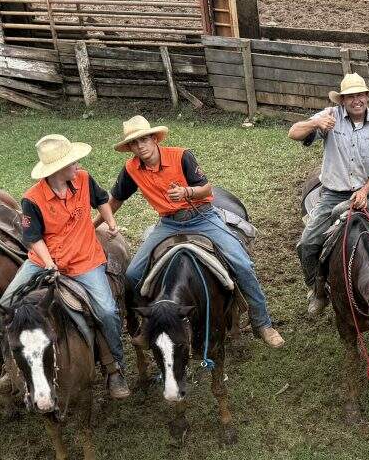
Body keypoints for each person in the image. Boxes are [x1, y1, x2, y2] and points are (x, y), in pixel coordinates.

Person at [106, 115, 283, 348]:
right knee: (132, 275)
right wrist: (96, 224)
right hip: (168, 223)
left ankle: (263, 323)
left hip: (202, 217)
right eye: (134, 143)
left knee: (242, 264)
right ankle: (149, 324)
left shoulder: (181, 156)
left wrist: (186, 192)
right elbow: (116, 199)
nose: (140, 146)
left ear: (154, 139)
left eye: (144, 140)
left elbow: (206, 188)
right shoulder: (131, 169)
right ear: (130, 148)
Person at [0, 134, 130, 400]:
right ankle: (10, 367)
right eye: (72, 162)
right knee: (4, 306)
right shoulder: (32, 199)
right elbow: (33, 238)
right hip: (44, 261)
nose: (77, 165)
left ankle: (115, 367)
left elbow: (101, 199)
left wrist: (111, 222)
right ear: (57, 170)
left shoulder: (84, 179)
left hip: (84, 259)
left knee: (106, 311)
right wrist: (49, 264)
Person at [289, 72, 369, 316]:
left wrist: (365, 191)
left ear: (368, 97)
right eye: (350, 96)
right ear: (342, 100)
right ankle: (317, 288)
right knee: (307, 243)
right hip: (334, 193)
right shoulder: (329, 117)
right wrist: (316, 123)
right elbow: (293, 132)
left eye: (360, 95)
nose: (357, 100)